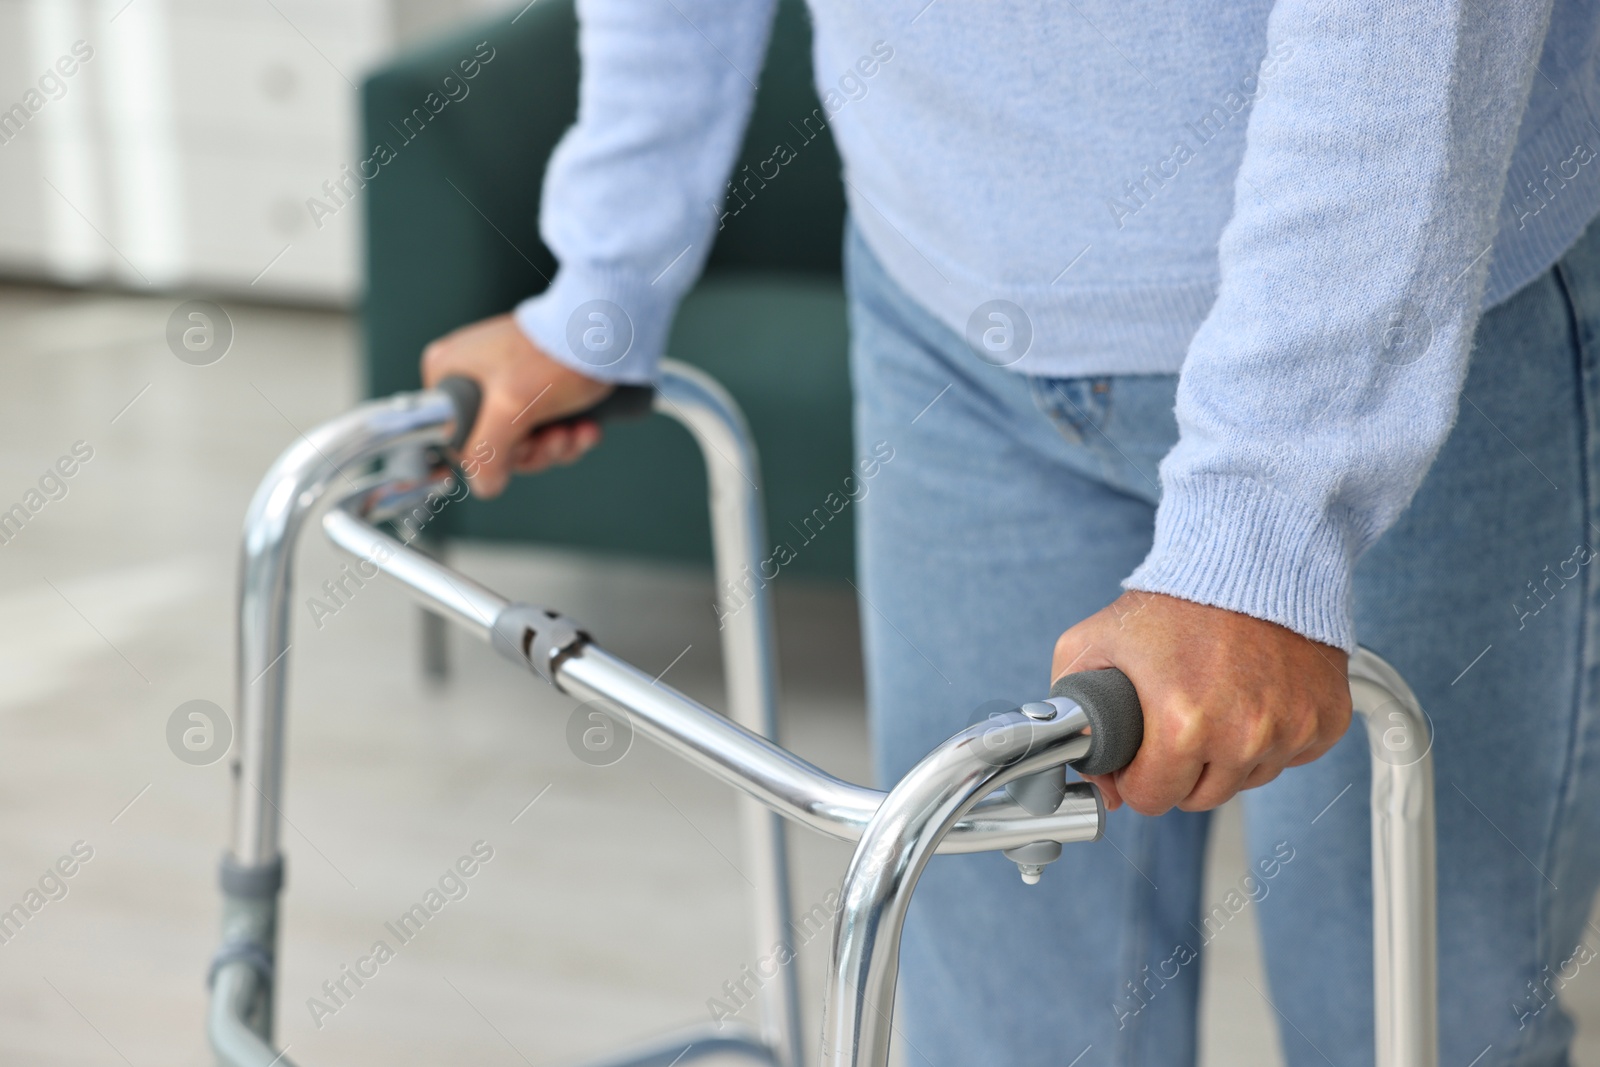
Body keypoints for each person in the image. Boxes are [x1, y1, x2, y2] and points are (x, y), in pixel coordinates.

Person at [421, 1, 1600, 1061]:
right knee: (1004, 1032)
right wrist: (605, 274)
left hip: (1413, 337)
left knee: (1409, 1022)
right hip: (946, 314)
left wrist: (1269, 508)